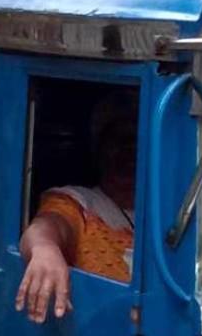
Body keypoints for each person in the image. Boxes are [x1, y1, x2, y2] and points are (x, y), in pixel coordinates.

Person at [15, 93, 138, 323]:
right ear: (99, 149)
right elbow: (47, 224)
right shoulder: (79, 202)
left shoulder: (172, 213)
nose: (128, 152)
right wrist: (44, 248)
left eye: (135, 142)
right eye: (118, 141)